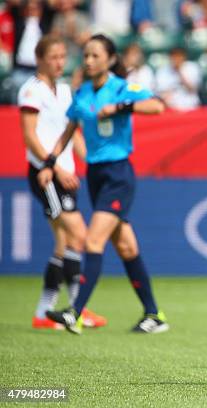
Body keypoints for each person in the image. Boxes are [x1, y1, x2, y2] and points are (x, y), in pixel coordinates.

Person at [40, 34, 169, 335]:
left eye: (95, 55)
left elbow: (157, 106)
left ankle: (75, 312)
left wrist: (122, 107)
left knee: (93, 241)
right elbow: (68, 131)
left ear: (110, 60)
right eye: (85, 56)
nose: (88, 61)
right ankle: (154, 314)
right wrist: (49, 163)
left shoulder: (121, 88)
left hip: (118, 175)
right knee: (125, 246)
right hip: (95, 176)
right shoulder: (83, 93)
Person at [18, 35, 106, 330]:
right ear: (40, 58)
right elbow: (31, 136)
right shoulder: (31, 92)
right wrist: (52, 166)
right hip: (47, 174)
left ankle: (45, 312)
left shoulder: (66, 91)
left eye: (62, 57)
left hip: (64, 175)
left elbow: (73, 134)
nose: (59, 63)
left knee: (64, 243)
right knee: (79, 236)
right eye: (53, 57)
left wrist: (94, 163)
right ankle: (76, 308)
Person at [155, 46, 201, 110]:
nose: (177, 59)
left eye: (179, 56)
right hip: (171, 108)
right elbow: (161, 93)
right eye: (174, 56)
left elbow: (192, 89)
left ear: (184, 57)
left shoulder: (192, 67)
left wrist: (180, 72)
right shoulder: (162, 71)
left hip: (191, 107)